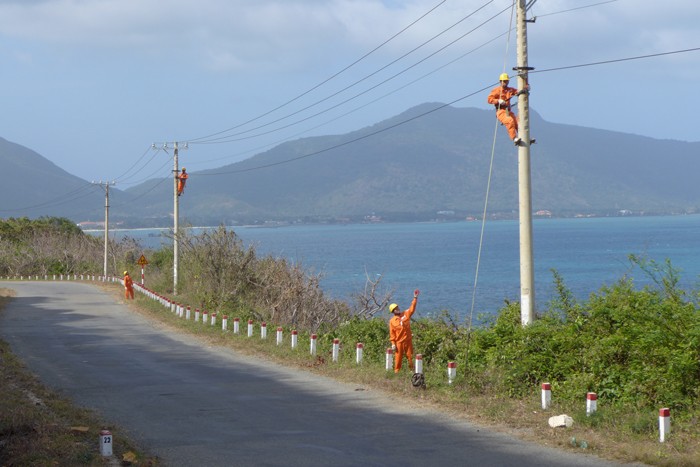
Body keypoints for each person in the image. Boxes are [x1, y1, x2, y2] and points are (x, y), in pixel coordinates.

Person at [487, 73, 530, 146]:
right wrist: (498, 100)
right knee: (509, 121)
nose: (505, 83)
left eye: (506, 81)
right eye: (503, 81)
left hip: (508, 110)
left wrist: (526, 88)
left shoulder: (510, 90)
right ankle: (514, 138)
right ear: (500, 81)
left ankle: (525, 138)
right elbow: (489, 99)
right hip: (500, 111)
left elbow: (518, 91)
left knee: (518, 123)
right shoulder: (496, 90)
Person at [388, 289, 419, 374]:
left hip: (408, 341)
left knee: (410, 357)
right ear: (393, 311)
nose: (397, 309)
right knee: (398, 358)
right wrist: (393, 344)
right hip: (399, 342)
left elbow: (412, 309)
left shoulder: (405, 314)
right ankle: (397, 372)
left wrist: (415, 298)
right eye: (395, 309)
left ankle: (412, 372)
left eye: (397, 307)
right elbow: (392, 334)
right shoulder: (392, 321)